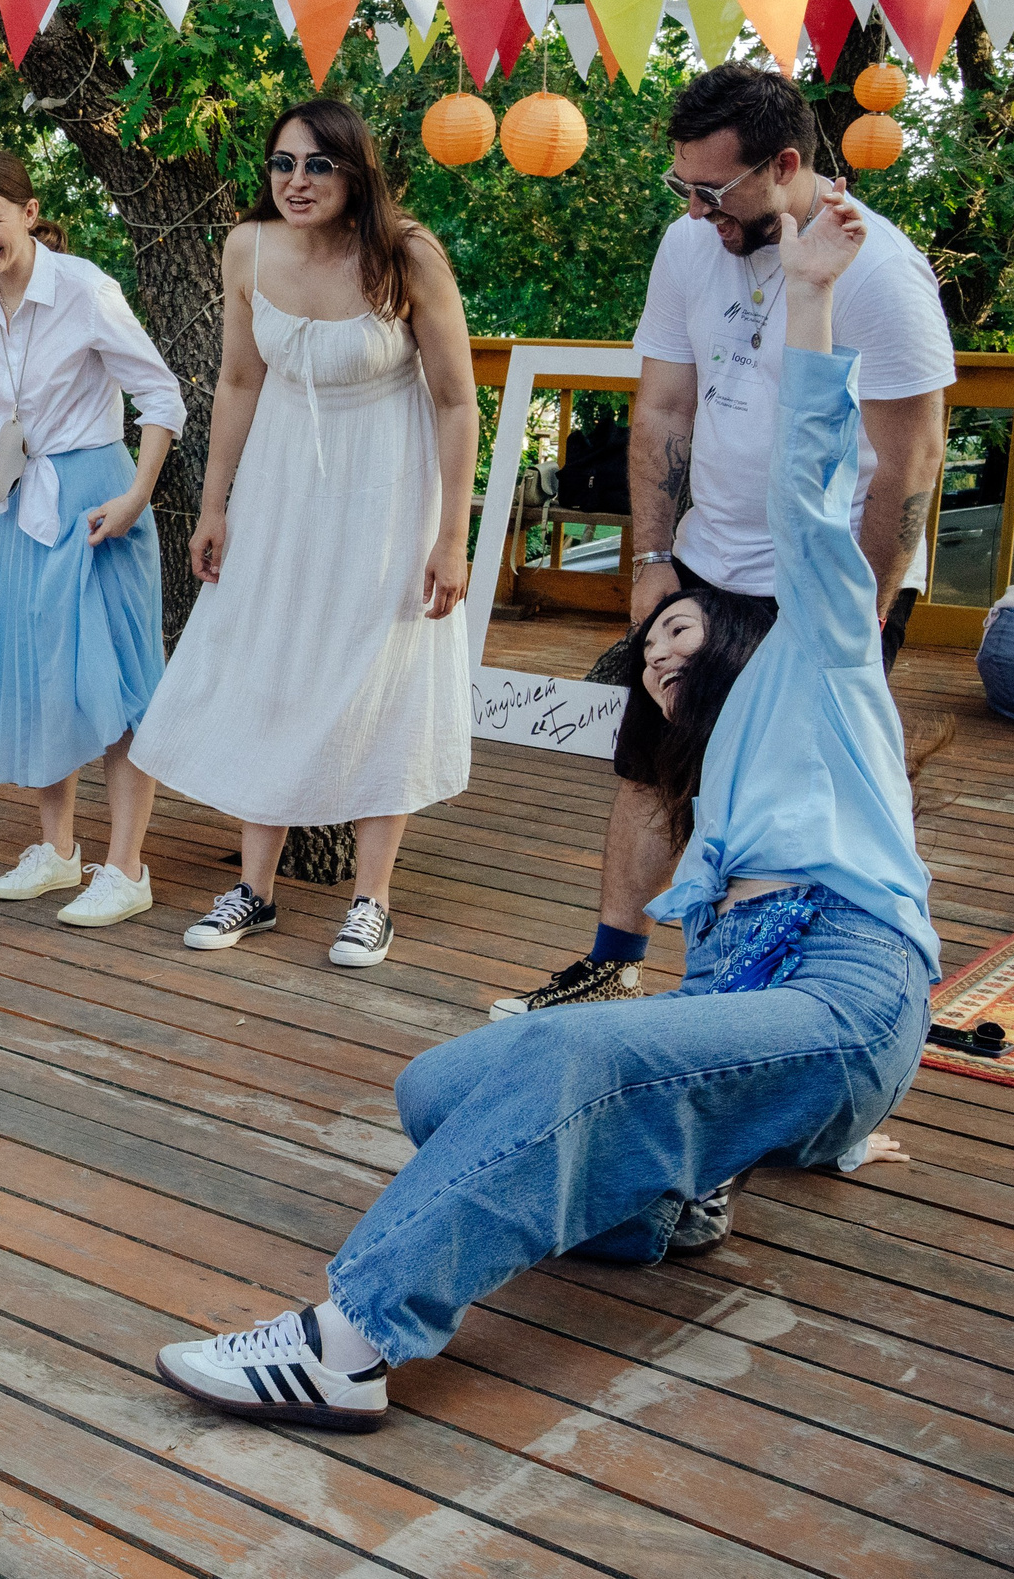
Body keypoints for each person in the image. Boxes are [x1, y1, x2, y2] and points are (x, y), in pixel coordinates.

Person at [157, 188, 930, 1433]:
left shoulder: (820, 666)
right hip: (766, 1023)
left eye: (679, 638)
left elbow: (812, 479)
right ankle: (675, 1198)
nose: (663, 664)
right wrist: (820, 1127)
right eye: (654, 659)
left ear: (746, 631)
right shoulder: (717, 781)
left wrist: (809, 297)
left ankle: (352, 1340)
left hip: (848, 988)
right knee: (436, 1091)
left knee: (571, 1053)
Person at [491, 64, 954, 1019]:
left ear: (786, 166)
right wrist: (653, 560)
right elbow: (664, 407)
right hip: (705, 560)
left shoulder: (881, 273)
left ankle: (778, 1003)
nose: (697, 210)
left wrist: (857, 610)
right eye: (682, 187)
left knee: (785, 801)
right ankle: (611, 963)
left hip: (818, 586)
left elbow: (911, 459)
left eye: (714, 190)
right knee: (649, 765)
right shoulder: (687, 248)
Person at [130, 101, 475, 968]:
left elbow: (456, 400)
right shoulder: (246, 248)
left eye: (318, 166)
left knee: (381, 677)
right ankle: (257, 889)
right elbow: (239, 380)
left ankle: (371, 899)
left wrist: (452, 535)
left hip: (388, 498)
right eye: (283, 165)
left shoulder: (410, 257)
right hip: (280, 495)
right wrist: (215, 505)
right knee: (267, 667)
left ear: (357, 171)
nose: (296, 183)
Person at [0, 149, 185, 930]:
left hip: (95, 501)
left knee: (113, 682)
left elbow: (162, 395)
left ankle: (126, 866)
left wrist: (135, 496)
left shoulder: (84, 289)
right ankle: (57, 851)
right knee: (38, 674)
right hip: (17, 502)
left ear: (27, 211)